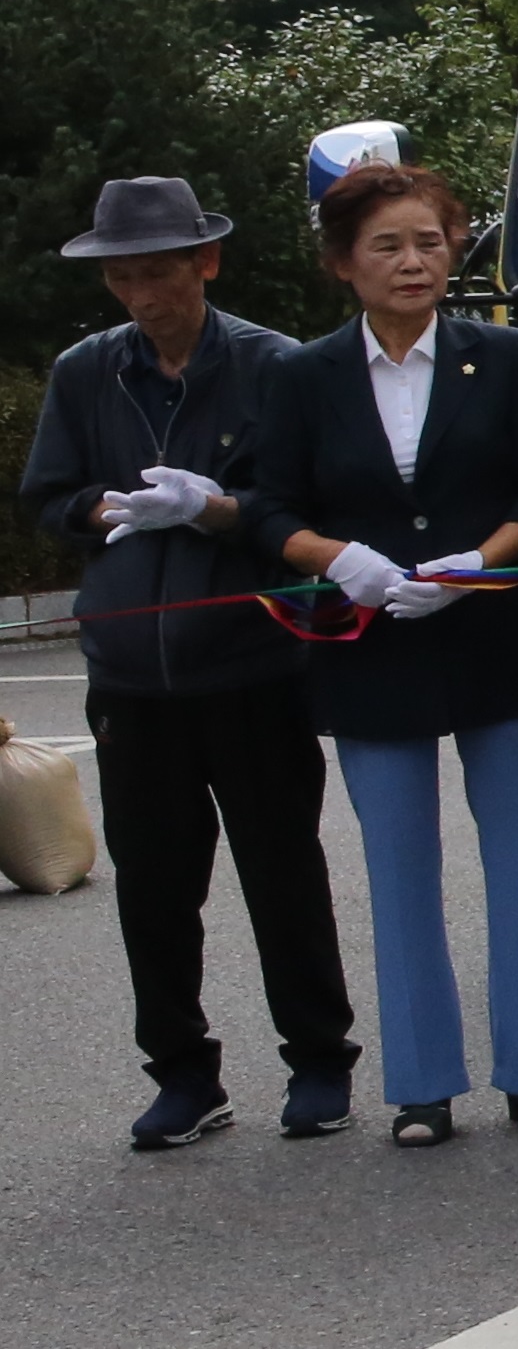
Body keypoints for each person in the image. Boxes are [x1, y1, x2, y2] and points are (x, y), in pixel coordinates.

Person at [244, 163, 518, 1147]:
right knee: (396, 865)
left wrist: (482, 561)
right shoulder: (305, 375)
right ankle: (422, 1084)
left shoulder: (499, 354)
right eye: (387, 244)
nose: (413, 260)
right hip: (370, 645)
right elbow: (268, 507)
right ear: (344, 262)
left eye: (431, 240)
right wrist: (335, 556)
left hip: (490, 633)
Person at [27, 175, 352, 1149]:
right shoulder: (86, 371)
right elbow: (48, 493)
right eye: (122, 277)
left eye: (159, 272)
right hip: (131, 672)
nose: (142, 295)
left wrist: (215, 508)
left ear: (205, 261)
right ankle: (181, 1071)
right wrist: (103, 508)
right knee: (154, 885)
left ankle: (319, 1059)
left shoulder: (274, 365)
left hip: (252, 661)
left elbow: (307, 505)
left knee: (282, 869)